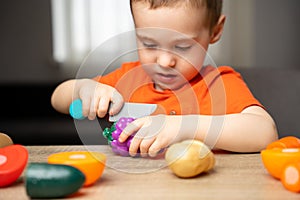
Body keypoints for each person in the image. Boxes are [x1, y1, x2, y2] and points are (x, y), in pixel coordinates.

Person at [51, 0, 278, 157]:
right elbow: (58, 99)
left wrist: (184, 126)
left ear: (215, 31)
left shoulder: (219, 83)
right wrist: (83, 88)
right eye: (149, 44)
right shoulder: (128, 78)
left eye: (182, 46)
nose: (164, 62)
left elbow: (265, 133)